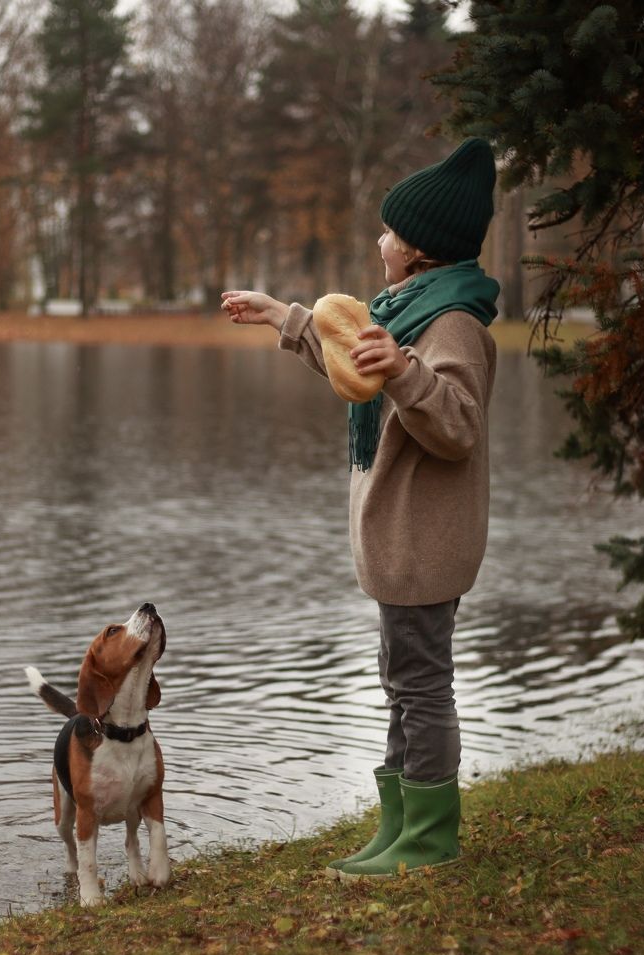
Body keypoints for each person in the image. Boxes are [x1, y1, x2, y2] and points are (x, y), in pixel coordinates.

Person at [221, 138, 500, 881]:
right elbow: (356, 362)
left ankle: (431, 838)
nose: (378, 242)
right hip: (399, 543)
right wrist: (286, 316)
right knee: (401, 683)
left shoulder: (452, 327)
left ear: (418, 251)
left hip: (423, 543)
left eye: (387, 232)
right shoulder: (409, 311)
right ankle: (399, 826)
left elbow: (457, 425)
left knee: (420, 687)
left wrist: (407, 372)